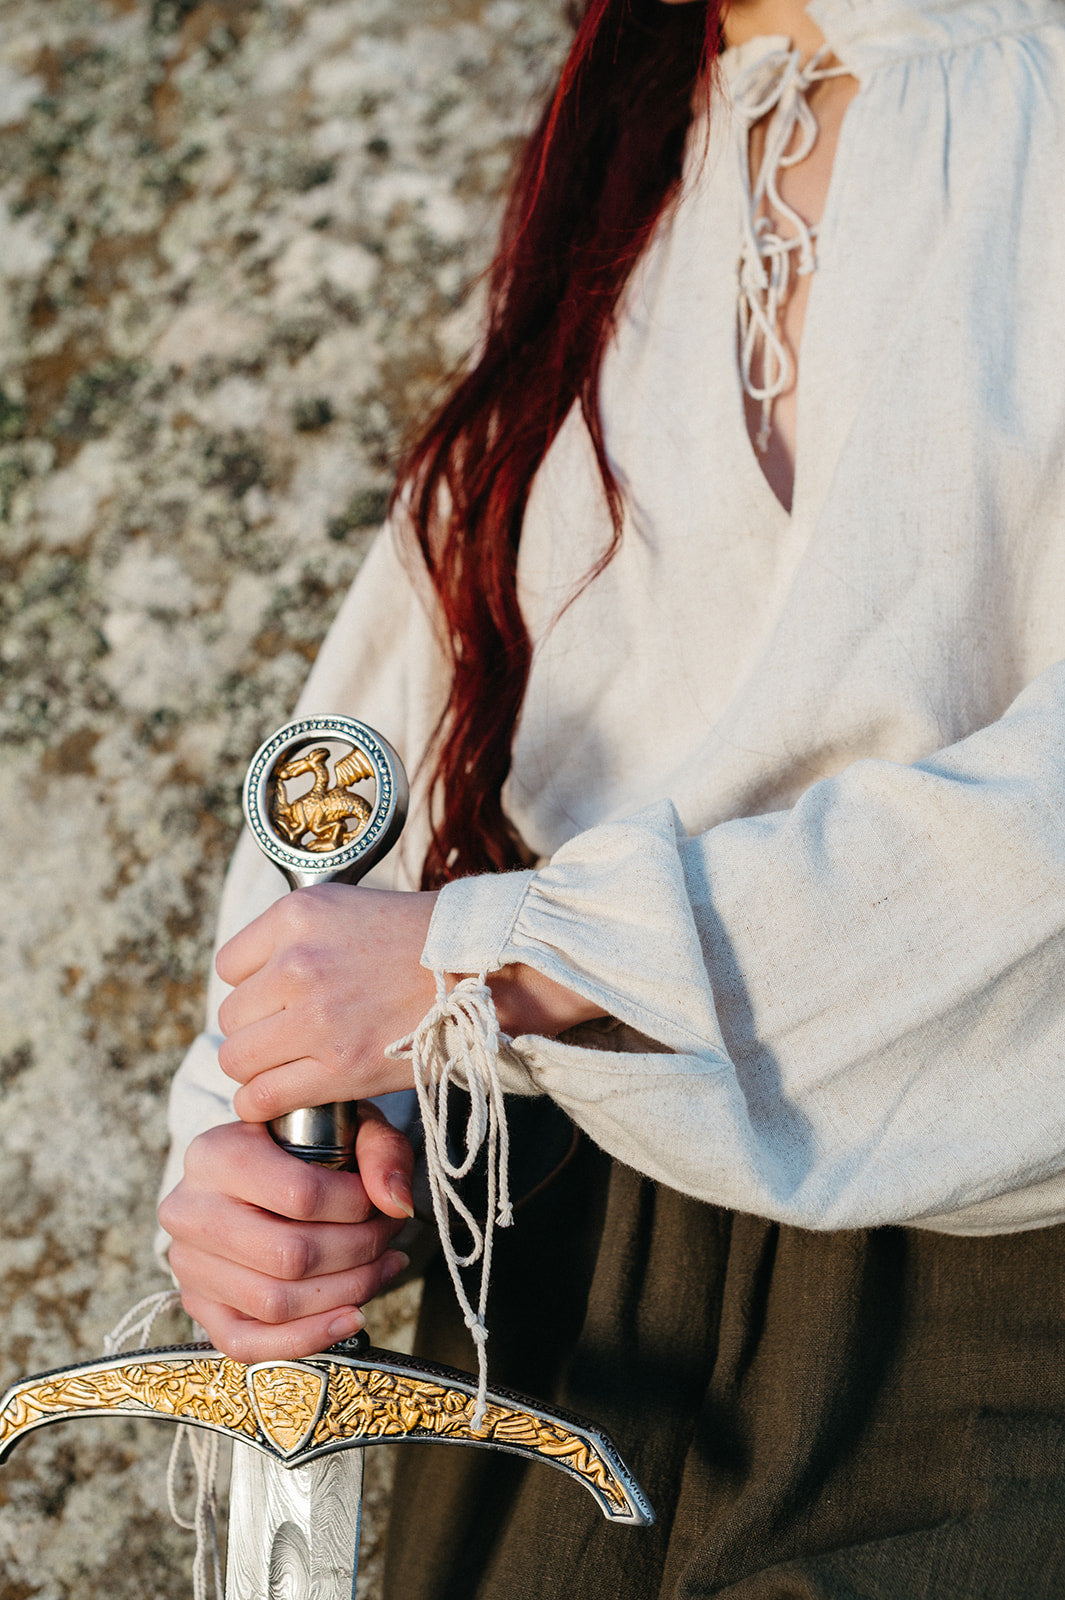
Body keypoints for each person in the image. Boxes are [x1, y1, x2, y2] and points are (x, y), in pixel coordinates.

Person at [158, 0, 1065, 1591]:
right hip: (566, 1273)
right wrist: (252, 1143)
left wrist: (517, 957)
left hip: (988, 1290)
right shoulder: (639, 152)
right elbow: (373, 749)